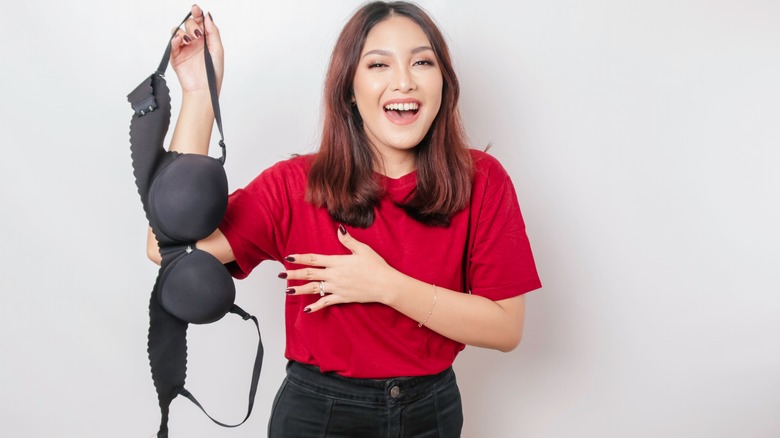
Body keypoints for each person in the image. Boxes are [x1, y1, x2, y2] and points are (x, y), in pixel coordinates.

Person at [147, 2, 541, 436]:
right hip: (320, 417)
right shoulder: (294, 185)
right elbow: (169, 246)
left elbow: (506, 327)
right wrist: (201, 95)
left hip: (432, 414)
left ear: (443, 82)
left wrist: (385, 285)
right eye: (379, 64)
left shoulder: (482, 180)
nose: (404, 81)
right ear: (350, 88)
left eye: (422, 61)